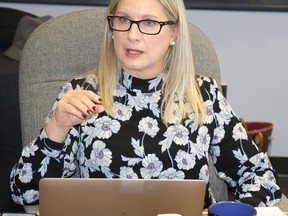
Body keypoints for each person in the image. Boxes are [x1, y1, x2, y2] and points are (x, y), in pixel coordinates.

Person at [10, 0, 282, 209]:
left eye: (149, 22)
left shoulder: (203, 95)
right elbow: (25, 193)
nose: (132, 35)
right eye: (123, 20)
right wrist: (57, 128)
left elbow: (261, 178)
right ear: (111, 28)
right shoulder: (81, 94)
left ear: (174, 33)